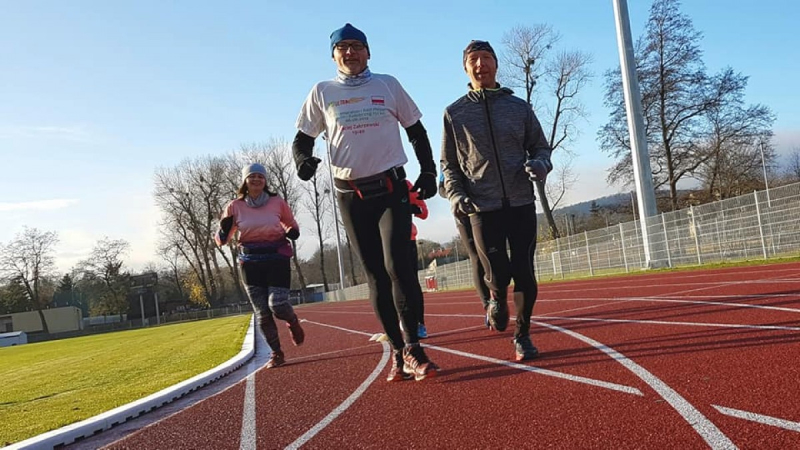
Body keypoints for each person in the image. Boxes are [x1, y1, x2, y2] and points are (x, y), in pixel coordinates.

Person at [292, 23, 439, 381]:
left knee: (398, 267)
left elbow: (416, 130)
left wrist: (429, 171)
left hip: (391, 189)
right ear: (333, 56)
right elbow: (301, 139)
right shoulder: (322, 91)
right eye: (342, 48)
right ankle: (396, 351)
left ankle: (414, 349)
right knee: (375, 275)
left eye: (357, 46)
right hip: (351, 195)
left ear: (368, 52)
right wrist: (302, 162)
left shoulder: (387, 84)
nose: (350, 52)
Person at [440, 40, 552, 361]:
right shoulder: (454, 113)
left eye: (486, 58)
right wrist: (457, 192)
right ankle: (495, 298)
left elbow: (540, 147)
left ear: (496, 64)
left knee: (525, 272)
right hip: (481, 207)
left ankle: (523, 336)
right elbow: (448, 164)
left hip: (520, 202)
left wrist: (540, 164)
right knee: (497, 273)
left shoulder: (519, 108)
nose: (480, 65)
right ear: (466, 68)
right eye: (473, 60)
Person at [215, 163, 305, 369]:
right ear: (245, 181)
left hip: (277, 258)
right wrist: (223, 230)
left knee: (278, 305)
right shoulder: (234, 206)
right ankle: (277, 353)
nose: (256, 180)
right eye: (252, 176)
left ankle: (292, 320)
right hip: (250, 262)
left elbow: (291, 223)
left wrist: (292, 231)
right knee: (262, 312)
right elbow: (222, 240)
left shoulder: (277, 202)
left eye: (260, 177)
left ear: (265, 181)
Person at [438, 175, 491, 322]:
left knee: (492, 253)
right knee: (476, 257)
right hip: (463, 214)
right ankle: (488, 305)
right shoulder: (448, 157)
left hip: (486, 208)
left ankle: (499, 297)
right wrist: (455, 195)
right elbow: (441, 189)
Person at [403, 179, 429, 339]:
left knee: (412, 283)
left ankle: (419, 323)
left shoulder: (405, 185)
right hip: (382, 243)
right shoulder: (365, 179)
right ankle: (395, 324)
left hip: (407, 240)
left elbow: (423, 212)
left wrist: (409, 208)